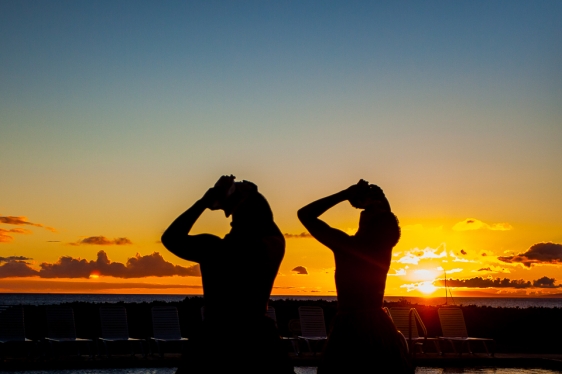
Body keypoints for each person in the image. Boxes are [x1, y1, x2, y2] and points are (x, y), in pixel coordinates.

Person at [161, 175, 294, 374]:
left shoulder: (214, 249)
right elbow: (268, 221)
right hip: (259, 336)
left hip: (215, 337)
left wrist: (204, 202)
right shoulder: (271, 248)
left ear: (233, 218)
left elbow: (170, 238)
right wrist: (252, 193)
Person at [297, 180, 413, 373]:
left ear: (368, 225)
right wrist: (379, 196)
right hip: (379, 326)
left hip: (351, 329)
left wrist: (345, 194)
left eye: (371, 210)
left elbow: (305, 215)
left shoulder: (348, 248)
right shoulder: (383, 247)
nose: (370, 208)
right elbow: (387, 215)